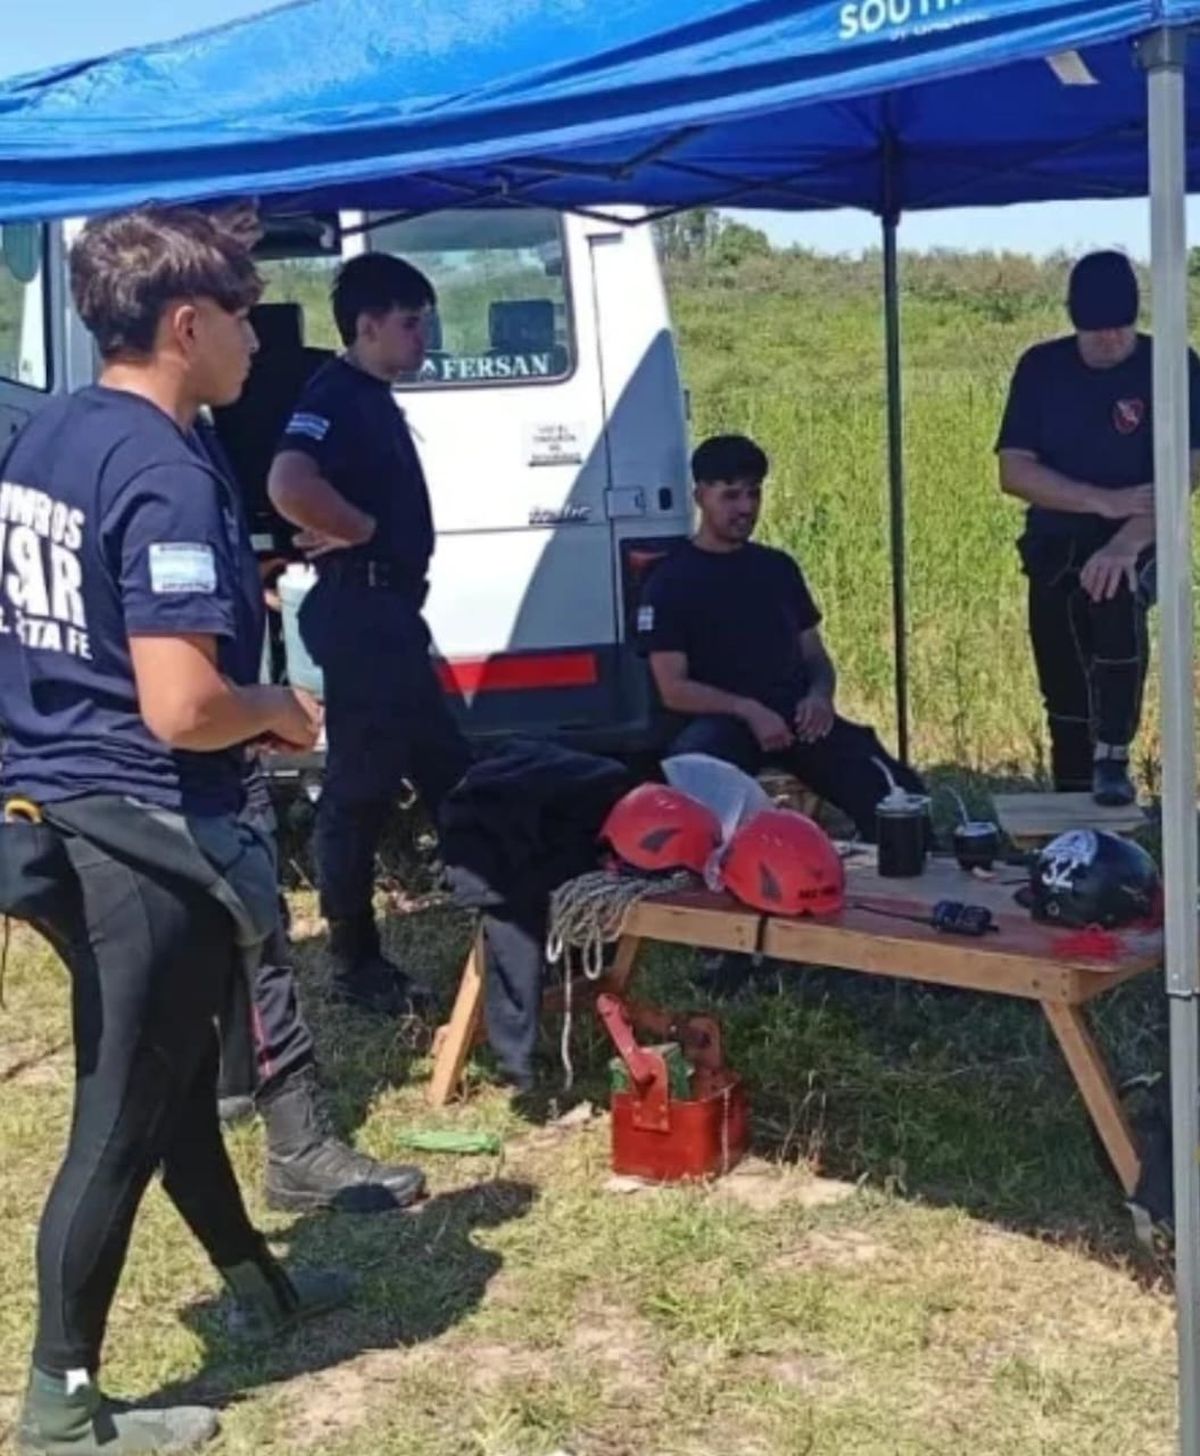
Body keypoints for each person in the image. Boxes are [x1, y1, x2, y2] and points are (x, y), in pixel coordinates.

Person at [0, 208, 348, 1455]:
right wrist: (279, 709)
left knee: (175, 1079)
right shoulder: (166, 467)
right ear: (186, 325)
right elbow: (184, 705)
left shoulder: (50, 430)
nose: (262, 339)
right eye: (246, 316)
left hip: (49, 804)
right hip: (141, 831)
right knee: (121, 1115)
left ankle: (259, 1280)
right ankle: (63, 1404)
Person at [268, 253, 470, 1016]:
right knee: (361, 787)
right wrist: (359, 529)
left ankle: (506, 917)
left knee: (450, 765)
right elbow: (289, 484)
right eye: (412, 323)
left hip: (388, 614)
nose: (424, 337)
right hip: (364, 612)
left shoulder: (371, 396)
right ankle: (354, 962)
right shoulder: (337, 393)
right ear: (368, 325)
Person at [636, 433, 923, 839]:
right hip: (719, 723)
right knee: (691, 792)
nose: (746, 508)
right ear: (700, 496)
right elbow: (673, 688)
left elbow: (815, 658)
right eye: (731, 496)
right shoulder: (669, 581)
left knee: (897, 794)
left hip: (795, 718)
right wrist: (748, 710)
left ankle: (904, 881)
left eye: (754, 494)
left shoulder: (777, 568)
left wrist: (820, 695)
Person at [997, 249, 1200, 805]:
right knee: (1060, 662)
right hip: (1057, 537)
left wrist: (1126, 541)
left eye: (1120, 327)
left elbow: (1185, 473)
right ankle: (1071, 789)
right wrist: (1097, 501)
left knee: (1114, 595)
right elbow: (1014, 470)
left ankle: (1114, 754)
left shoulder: (1172, 365)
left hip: (1141, 530)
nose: (1110, 340)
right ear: (1074, 320)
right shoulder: (1041, 367)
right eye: (1096, 330)